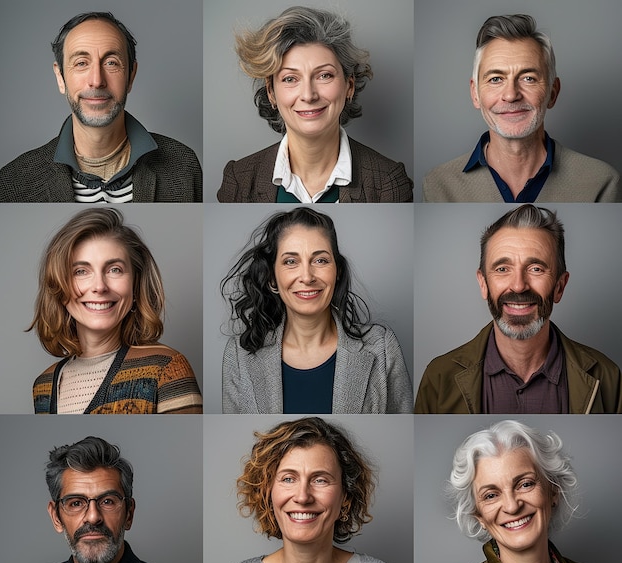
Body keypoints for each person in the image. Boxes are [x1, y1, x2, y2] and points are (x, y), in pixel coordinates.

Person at [415, 204, 622, 413]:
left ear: (559, 287)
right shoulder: (439, 378)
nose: (518, 285)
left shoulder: (607, 377)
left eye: (536, 269)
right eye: (503, 269)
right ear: (483, 284)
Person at [206, 416, 412, 563]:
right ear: (268, 493)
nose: (303, 496)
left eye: (320, 479)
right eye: (288, 479)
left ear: (345, 497)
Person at [221, 207, 413, 413]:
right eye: (291, 261)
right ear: (271, 278)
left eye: (320, 260)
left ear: (337, 271)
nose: (307, 276)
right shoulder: (239, 354)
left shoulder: (381, 347)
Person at [0, 12, 202, 202]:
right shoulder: (14, 181)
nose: (96, 80)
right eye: (81, 63)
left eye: (111, 63)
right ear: (60, 77)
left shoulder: (184, 166)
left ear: (131, 75)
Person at [421, 420, 610, 563]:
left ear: (553, 491)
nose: (512, 506)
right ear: (478, 516)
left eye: (525, 484)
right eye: (491, 495)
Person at [217, 6, 412, 203]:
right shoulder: (239, 179)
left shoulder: (389, 180)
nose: (308, 95)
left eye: (324, 75)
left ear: (349, 86)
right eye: (290, 79)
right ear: (271, 92)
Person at [423, 14, 621, 202]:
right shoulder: (438, 185)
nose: (511, 95)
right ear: (475, 94)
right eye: (496, 79)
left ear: (553, 92)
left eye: (528, 78)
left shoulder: (602, 183)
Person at [8, 436, 204, 563]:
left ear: (129, 513)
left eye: (107, 501)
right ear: (56, 517)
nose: (93, 517)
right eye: (76, 503)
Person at [27, 207, 202, 414]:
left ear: (135, 285)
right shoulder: (43, 385)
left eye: (114, 270)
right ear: (59, 287)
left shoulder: (168, 368)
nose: (99, 286)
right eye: (81, 271)